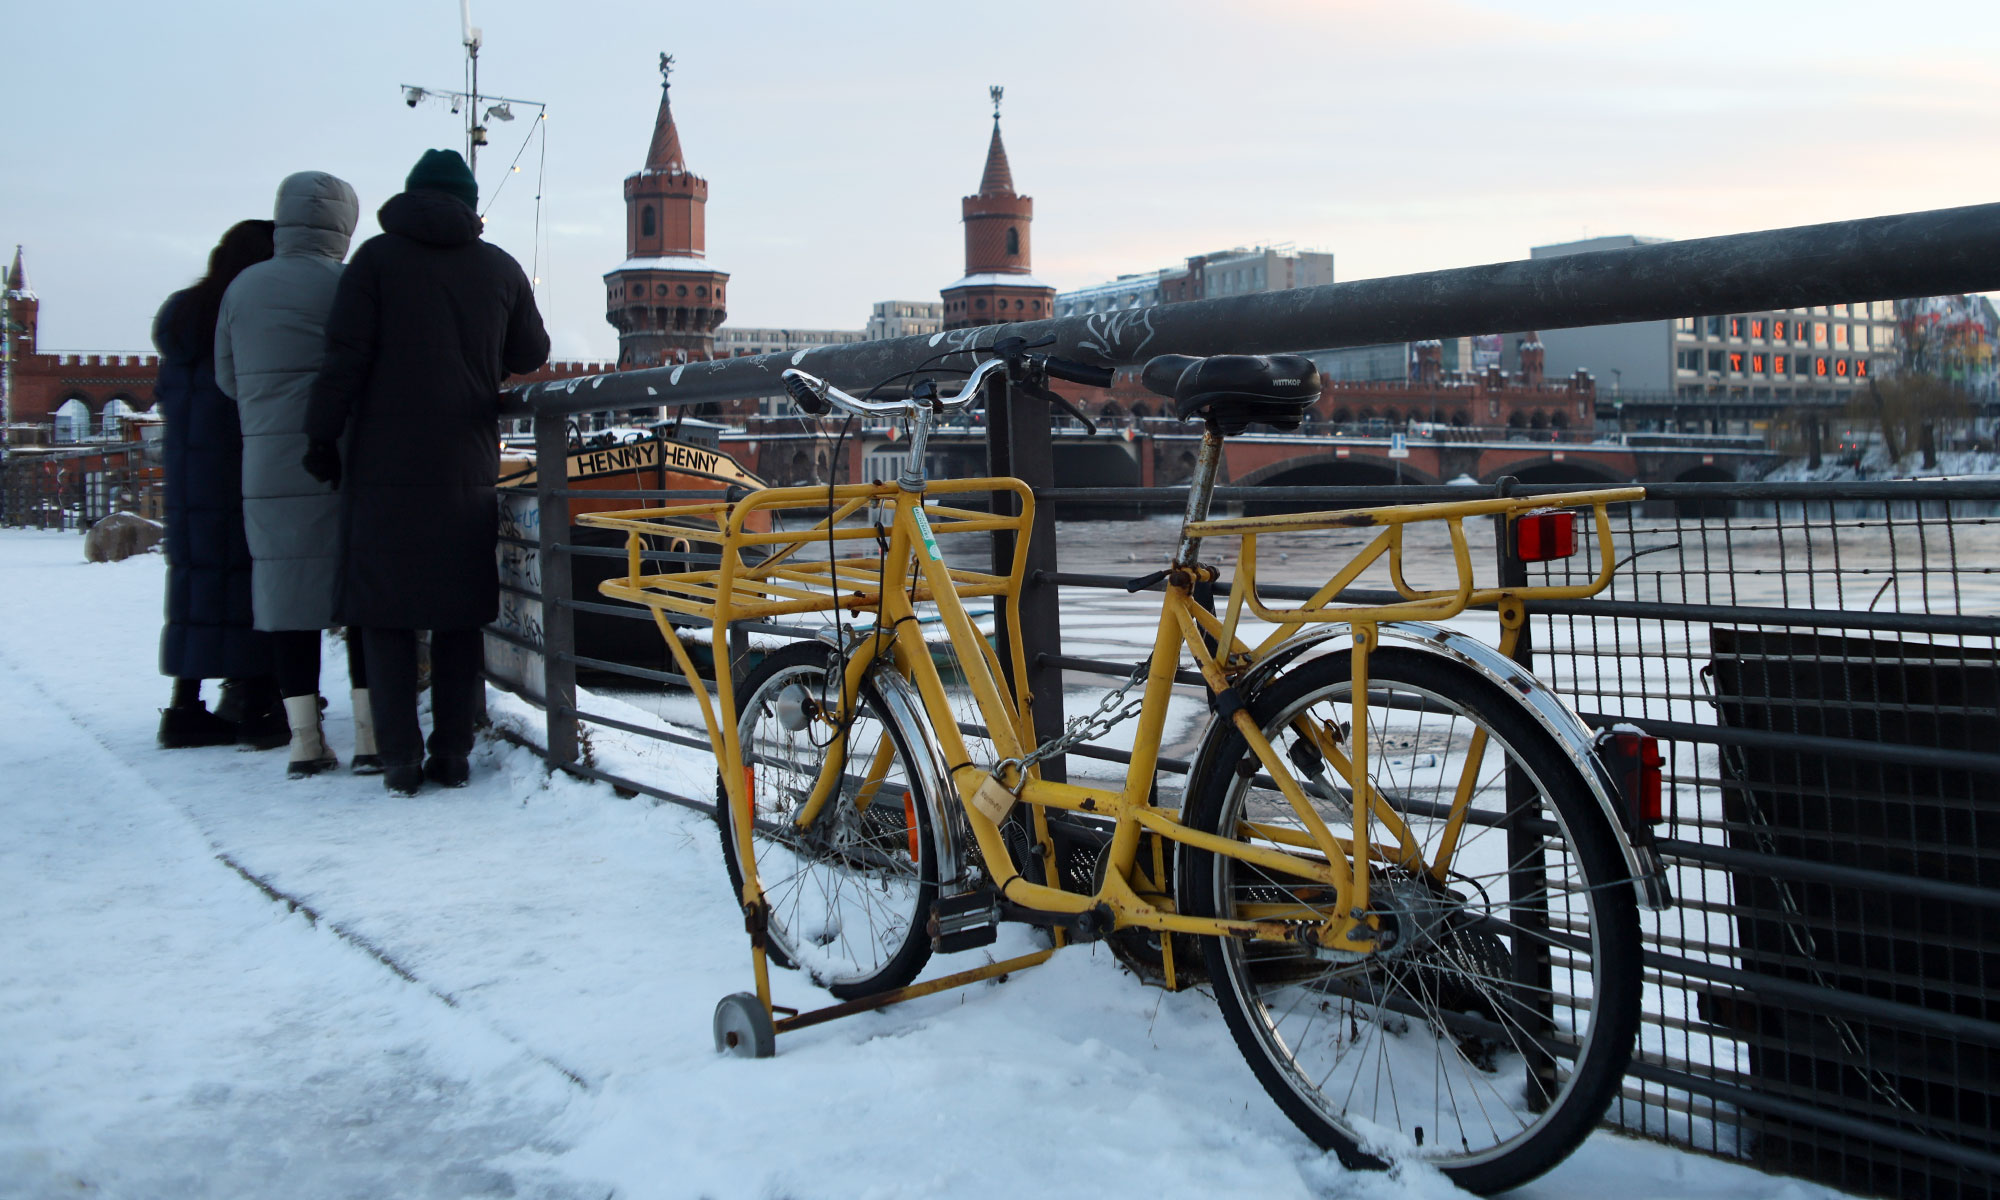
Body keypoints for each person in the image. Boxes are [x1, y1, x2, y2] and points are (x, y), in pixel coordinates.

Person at [305, 149, 549, 795]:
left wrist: (321, 436)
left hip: (381, 462)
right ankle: (452, 754)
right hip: (462, 463)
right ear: (470, 204)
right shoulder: (496, 266)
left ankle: (399, 761)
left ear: (411, 197)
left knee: (384, 616)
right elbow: (532, 351)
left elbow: (343, 358)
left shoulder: (376, 261)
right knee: (457, 615)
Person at [216, 171, 372, 778]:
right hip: (347, 459)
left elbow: (228, 380)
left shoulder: (243, 289)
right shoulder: (350, 284)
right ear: (343, 223)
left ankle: (305, 741)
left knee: (287, 598)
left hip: (268, 462)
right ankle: (370, 737)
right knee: (359, 593)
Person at [153, 219, 285, 750]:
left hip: (191, 481)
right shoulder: (245, 320)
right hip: (242, 469)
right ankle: (257, 701)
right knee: (251, 581)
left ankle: (185, 707)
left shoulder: (185, 321)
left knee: (197, 584)